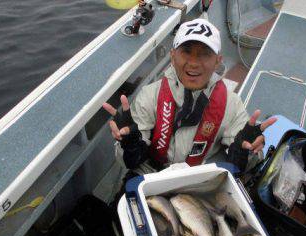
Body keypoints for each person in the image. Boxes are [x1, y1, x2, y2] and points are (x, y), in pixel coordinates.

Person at [103, 18, 276, 183]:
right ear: (172, 56)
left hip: (201, 181)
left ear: (217, 62)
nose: (193, 63)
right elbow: (130, 162)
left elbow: (241, 166)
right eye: (186, 52)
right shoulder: (149, 96)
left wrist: (246, 150)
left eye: (205, 54)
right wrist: (129, 143)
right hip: (151, 176)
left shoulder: (232, 105)